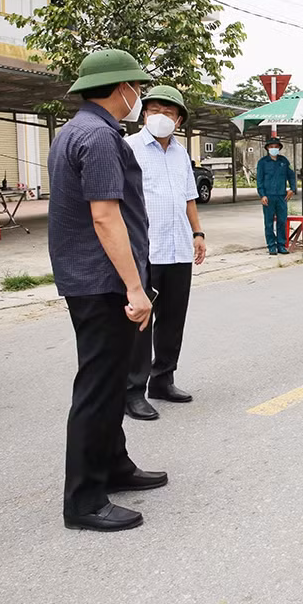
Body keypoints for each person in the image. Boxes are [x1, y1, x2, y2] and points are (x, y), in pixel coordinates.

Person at [47, 49, 166, 532]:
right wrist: (135, 288)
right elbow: (105, 215)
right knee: (98, 388)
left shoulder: (77, 129)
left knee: (112, 378)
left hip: (90, 278)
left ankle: (114, 465)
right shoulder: (97, 136)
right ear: (122, 89)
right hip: (103, 282)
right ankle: (84, 500)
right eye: (136, 88)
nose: (138, 96)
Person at [123, 85, 207, 421]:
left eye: (169, 113)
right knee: (141, 323)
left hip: (178, 248)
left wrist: (198, 232)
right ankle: (133, 391)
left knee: (173, 319)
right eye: (155, 110)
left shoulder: (180, 153)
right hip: (144, 250)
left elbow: (189, 196)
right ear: (144, 114)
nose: (161, 117)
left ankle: (163, 379)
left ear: (179, 120)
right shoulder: (127, 148)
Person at [256, 136, 297, 254]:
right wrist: (262, 195)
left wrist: (292, 189)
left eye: (276, 146)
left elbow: (291, 175)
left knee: (282, 221)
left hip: (281, 196)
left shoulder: (284, 161)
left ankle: (281, 245)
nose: (274, 148)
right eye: (271, 146)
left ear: (279, 148)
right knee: (268, 222)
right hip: (268, 196)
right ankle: (271, 245)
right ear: (267, 148)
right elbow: (259, 180)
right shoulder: (262, 163)